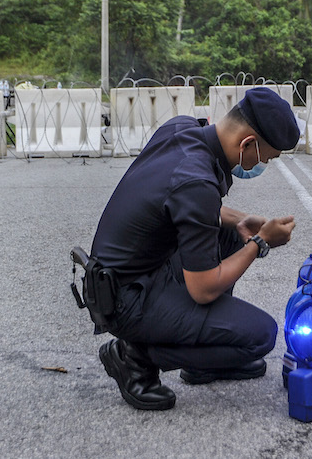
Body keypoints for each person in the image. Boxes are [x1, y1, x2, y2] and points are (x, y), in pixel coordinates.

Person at [88, 87, 300, 410]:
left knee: (229, 235)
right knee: (261, 336)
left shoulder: (182, 129)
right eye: (266, 157)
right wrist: (261, 243)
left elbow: (183, 205)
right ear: (247, 144)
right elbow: (203, 289)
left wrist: (242, 221)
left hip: (128, 271)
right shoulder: (198, 180)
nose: (263, 165)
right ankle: (134, 358)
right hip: (124, 300)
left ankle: (202, 361)